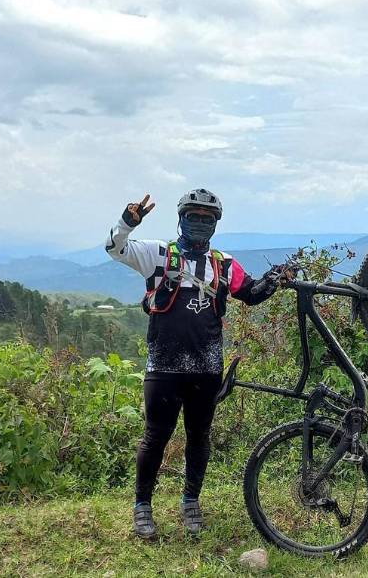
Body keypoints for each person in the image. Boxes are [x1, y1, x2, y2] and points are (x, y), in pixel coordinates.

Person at [104, 189, 279, 539]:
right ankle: (142, 507)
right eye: (193, 216)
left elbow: (252, 293)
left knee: (199, 437)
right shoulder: (157, 255)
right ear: (181, 219)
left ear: (215, 224)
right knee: (156, 437)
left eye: (207, 218)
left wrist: (277, 280)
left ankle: (191, 501)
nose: (199, 223)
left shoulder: (225, 265)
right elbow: (115, 249)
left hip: (207, 368)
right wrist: (128, 222)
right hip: (164, 367)